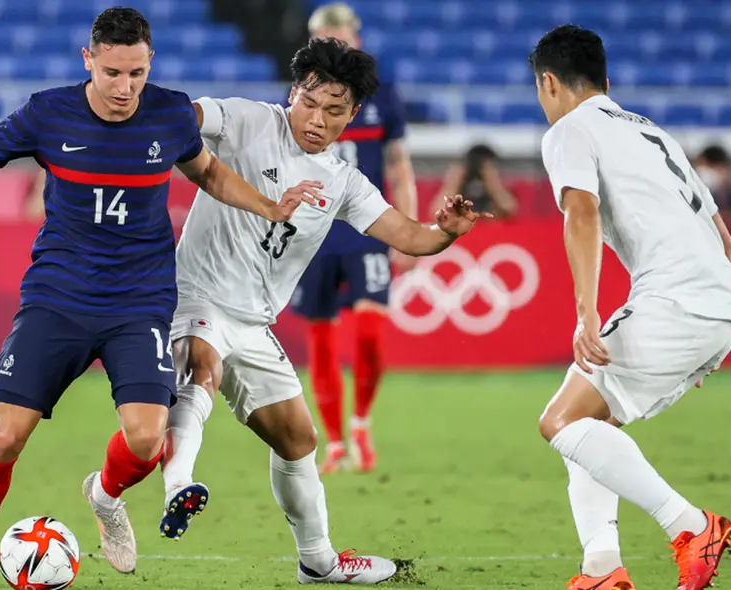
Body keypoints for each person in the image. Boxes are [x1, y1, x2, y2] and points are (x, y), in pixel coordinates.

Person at [0, 8, 311, 588]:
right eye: (113, 73)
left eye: (137, 73)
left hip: (141, 301)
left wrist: (267, 205)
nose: (125, 88)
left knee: (147, 439)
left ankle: (105, 495)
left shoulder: (171, 112)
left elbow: (208, 172)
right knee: (5, 435)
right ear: (88, 61)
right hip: (59, 296)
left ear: (150, 64)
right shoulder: (47, 112)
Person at [156, 38, 491, 585]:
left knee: (298, 439)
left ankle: (318, 561)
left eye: (334, 110)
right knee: (202, 368)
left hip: (254, 322)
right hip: (197, 294)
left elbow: (410, 236)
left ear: (352, 114)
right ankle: (179, 486)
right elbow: (185, 114)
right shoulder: (247, 119)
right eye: (309, 103)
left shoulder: (342, 182)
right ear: (293, 92)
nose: (317, 120)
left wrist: (445, 232)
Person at [530, 25, 731, 590]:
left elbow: (581, 213)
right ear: (605, 83)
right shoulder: (654, 133)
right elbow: (724, 239)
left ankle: (691, 526)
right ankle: (601, 569)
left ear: (549, 83)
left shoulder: (569, 130)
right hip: (717, 304)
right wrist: (705, 336)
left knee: (561, 422)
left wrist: (586, 313)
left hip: (675, 299)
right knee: (591, 425)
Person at [290, 2, 419, 474]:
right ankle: (336, 442)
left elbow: (398, 164)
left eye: (341, 36)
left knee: (368, 331)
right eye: (326, 38)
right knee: (321, 338)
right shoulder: (299, 95)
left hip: (368, 227)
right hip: (314, 233)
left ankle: (361, 421)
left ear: (355, 38)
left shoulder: (382, 95)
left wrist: (408, 228)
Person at [436, 144, 518, 219]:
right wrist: (453, 184)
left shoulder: (501, 184)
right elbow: (439, 213)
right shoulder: (459, 183)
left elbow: (509, 209)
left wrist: (493, 182)